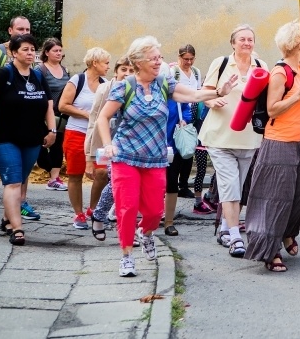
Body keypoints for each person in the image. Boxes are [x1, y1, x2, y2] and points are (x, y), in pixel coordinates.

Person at [97, 36, 237, 277]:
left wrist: (217, 92)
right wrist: (108, 145)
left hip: (155, 159)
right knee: (127, 208)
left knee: (154, 212)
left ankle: (146, 232)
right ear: (138, 62)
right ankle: (127, 256)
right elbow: (103, 117)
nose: (159, 62)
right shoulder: (125, 86)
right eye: (154, 58)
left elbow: (193, 95)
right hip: (126, 157)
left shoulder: (164, 84)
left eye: (159, 58)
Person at [245, 21, 300, 271]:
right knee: (275, 198)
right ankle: (270, 250)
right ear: (296, 44)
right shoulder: (280, 72)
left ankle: (287, 233)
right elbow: (273, 109)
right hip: (279, 143)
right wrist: (297, 95)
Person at [0, 34, 57, 245]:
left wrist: (52, 130)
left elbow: (48, 106)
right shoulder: (4, 74)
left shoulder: (38, 76)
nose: (30, 53)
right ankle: (17, 228)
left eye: (32, 49)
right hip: (3, 138)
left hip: (32, 138)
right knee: (13, 181)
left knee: (19, 180)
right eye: (25, 49)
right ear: (14, 52)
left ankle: (7, 219)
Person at [198, 24, 267, 252]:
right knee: (229, 186)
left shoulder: (261, 66)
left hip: (248, 137)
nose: (246, 43)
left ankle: (225, 229)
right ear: (233, 43)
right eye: (242, 39)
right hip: (220, 136)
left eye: (250, 39)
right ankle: (236, 237)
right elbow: (205, 93)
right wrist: (213, 100)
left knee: (237, 186)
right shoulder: (221, 63)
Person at [0, 16, 41, 222]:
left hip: (22, 120)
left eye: (27, 29)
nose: (24, 32)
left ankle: (20, 201)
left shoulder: (29, 53)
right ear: (10, 30)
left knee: (23, 163)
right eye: (20, 28)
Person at [59, 47, 110, 230]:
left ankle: (93, 209)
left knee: (102, 173)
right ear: (95, 63)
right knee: (75, 174)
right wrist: (87, 115)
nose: (108, 66)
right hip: (76, 133)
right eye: (106, 63)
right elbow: (63, 105)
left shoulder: (106, 83)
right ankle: (78, 213)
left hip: (97, 136)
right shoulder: (77, 80)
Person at [85, 56, 133, 241]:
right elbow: (95, 121)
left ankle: (121, 226)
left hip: (132, 145)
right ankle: (99, 214)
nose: (127, 74)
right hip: (111, 145)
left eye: (131, 70)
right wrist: (90, 156)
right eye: (123, 70)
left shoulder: (137, 88)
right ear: (116, 71)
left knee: (126, 187)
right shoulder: (106, 89)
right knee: (116, 183)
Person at [161, 44, 202, 236]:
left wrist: (184, 119)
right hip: (153, 143)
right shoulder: (145, 92)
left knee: (171, 181)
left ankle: (168, 221)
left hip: (172, 141)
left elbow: (187, 103)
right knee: (155, 182)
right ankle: (151, 216)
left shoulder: (174, 92)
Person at [35, 38, 70, 191]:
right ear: (47, 52)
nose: (59, 53)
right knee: (40, 148)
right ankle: (48, 169)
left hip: (60, 116)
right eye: (55, 50)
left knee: (57, 145)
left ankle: (54, 179)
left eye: (60, 50)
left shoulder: (65, 70)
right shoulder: (40, 70)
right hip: (41, 115)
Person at [170, 45, 201, 199]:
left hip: (192, 116)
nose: (188, 62)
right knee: (177, 150)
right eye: (185, 59)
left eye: (191, 59)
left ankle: (184, 184)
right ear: (179, 57)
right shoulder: (173, 72)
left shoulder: (196, 72)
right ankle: (173, 185)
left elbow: (198, 92)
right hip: (178, 116)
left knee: (189, 150)